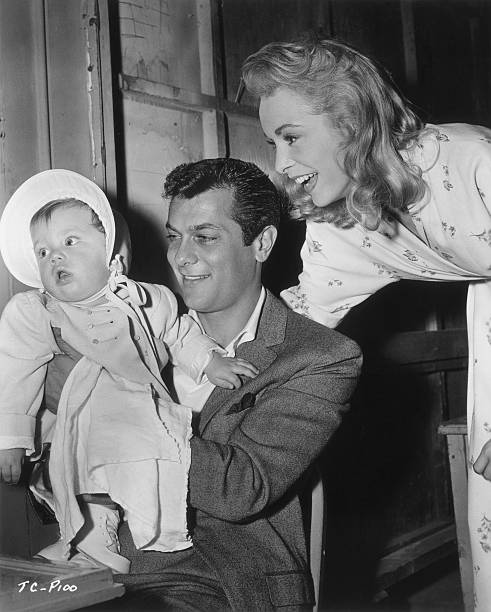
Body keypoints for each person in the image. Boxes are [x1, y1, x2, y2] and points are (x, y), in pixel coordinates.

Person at [242, 35, 491, 610]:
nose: (281, 164)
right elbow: (296, 324)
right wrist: (185, 370)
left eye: (291, 137)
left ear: (351, 120)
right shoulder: (344, 222)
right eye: (272, 143)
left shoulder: (467, 157)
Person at [83, 157, 361, 611]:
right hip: (105, 562)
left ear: (262, 243)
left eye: (205, 237)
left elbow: (241, 487)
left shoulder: (320, 357)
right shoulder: (135, 332)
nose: (180, 256)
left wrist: (115, 424)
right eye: (174, 236)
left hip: (225, 573)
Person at [0, 169, 257, 574]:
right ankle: (89, 532)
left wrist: (211, 360)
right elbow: (16, 372)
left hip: (139, 418)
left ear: (113, 255)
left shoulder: (149, 300)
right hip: (72, 429)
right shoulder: (37, 312)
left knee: (144, 472)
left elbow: (180, 333)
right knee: (79, 478)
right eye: (43, 251)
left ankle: (137, 532)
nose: (56, 257)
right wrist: (11, 438)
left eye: (70, 242)